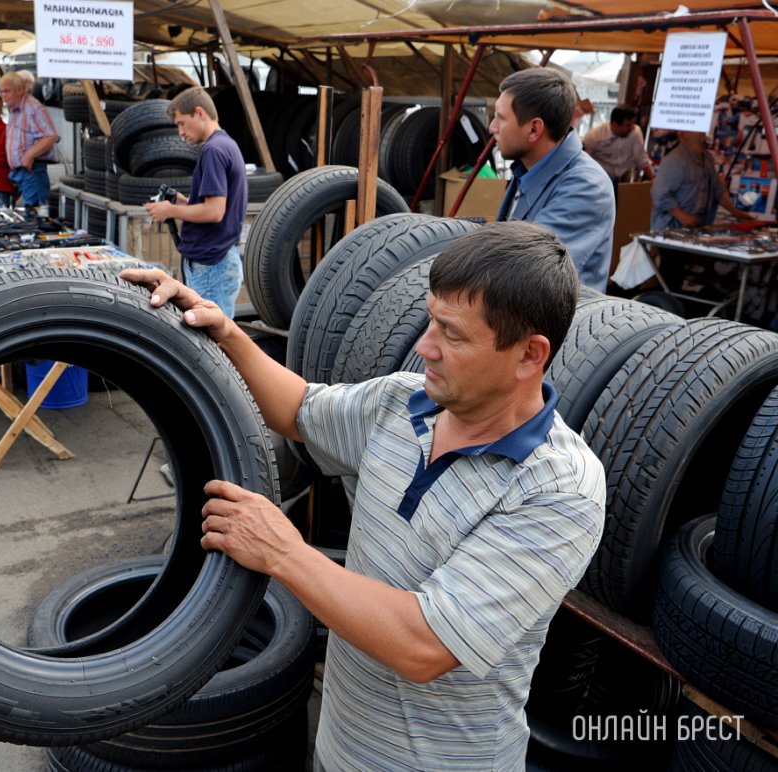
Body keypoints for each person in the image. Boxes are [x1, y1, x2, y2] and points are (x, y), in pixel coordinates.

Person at [120, 220, 606, 771]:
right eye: (430, 320)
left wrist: (283, 551)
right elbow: (297, 407)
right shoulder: (403, 404)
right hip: (340, 753)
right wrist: (224, 332)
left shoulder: (559, 489)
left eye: (453, 334)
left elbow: (424, 646)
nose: (425, 347)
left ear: (528, 355)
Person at [491, 68, 615, 291]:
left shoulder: (586, 187)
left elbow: (528, 272)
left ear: (534, 129)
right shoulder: (527, 170)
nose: (492, 127)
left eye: (500, 118)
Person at [143, 87, 248, 318]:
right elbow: (219, 205)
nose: (180, 132)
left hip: (213, 265)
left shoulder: (213, 149)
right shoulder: (226, 144)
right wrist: (183, 202)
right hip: (217, 262)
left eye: (182, 123)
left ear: (199, 112)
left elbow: (214, 211)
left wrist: (171, 209)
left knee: (211, 342)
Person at [650, 130, 755, 290]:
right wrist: (681, 215)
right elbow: (659, 193)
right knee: (670, 274)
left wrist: (736, 212)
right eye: (696, 130)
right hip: (671, 228)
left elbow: (717, 190)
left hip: (696, 228)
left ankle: (676, 304)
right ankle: (664, 307)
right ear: (682, 135)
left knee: (682, 273)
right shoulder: (675, 160)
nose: (702, 133)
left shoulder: (707, 158)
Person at [0, 70, 58, 217]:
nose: (4, 96)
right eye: (2, 92)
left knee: (35, 219)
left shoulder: (33, 108)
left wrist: (29, 155)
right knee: (29, 219)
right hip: (22, 173)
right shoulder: (14, 109)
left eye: (7, 91)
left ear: (20, 89)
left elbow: (51, 136)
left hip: (32, 171)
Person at [582, 104, 655, 197]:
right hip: (602, 177)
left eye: (633, 124)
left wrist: (653, 179)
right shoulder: (594, 136)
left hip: (625, 176)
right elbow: (583, 160)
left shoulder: (635, 132)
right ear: (614, 124)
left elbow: (642, 159)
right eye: (628, 125)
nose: (631, 128)